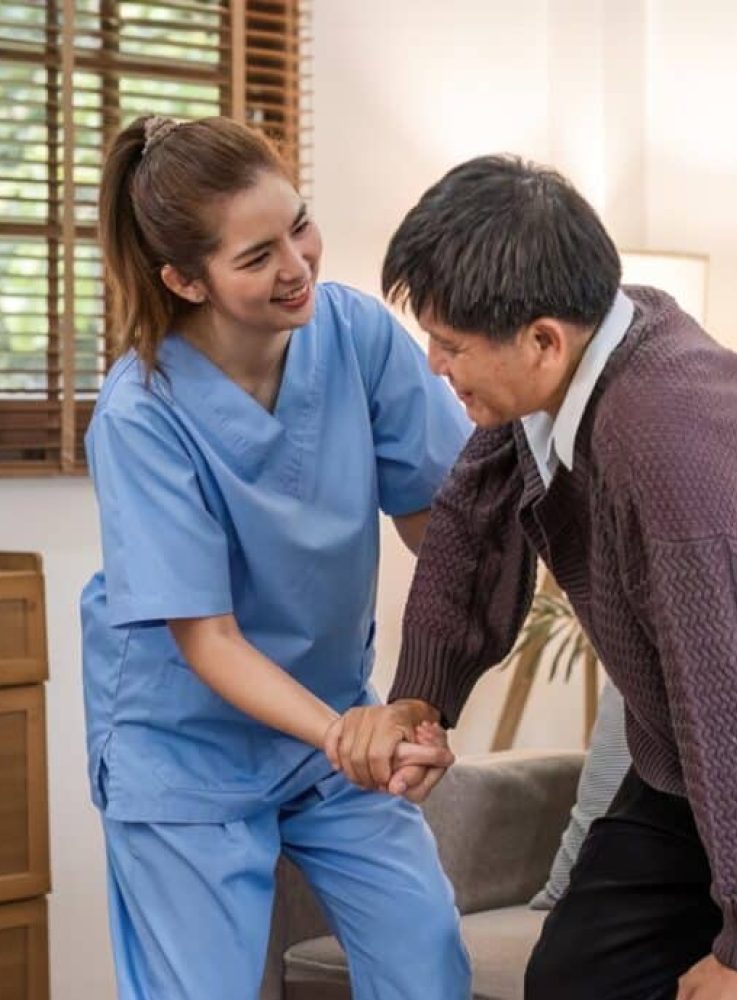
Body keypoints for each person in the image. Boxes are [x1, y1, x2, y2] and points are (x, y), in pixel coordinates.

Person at [327, 155, 737, 1000]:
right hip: (701, 750)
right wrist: (424, 699)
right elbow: (474, 515)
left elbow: (733, 700)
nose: (437, 365)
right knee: (576, 978)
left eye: (451, 347)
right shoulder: (581, 356)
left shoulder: (667, 451)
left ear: (543, 340)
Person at [80, 114, 472, 1000]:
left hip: (335, 722)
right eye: (255, 258)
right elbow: (207, 640)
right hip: (186, 752)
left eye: (298, 225)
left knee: (426, 959)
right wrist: (347, 736)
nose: (296, 266)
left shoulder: (357, 337)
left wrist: (423, 700)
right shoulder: (143, 416)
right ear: (184, 279)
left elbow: (440, 527)